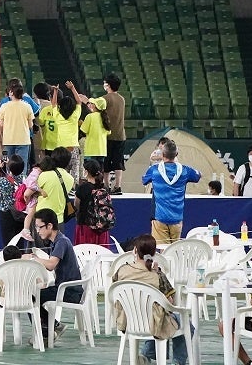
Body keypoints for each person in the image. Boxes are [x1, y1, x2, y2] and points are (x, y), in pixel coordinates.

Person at [112, 234, 189, 365]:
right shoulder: (157, 276)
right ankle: (177, 362)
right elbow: (171, 302)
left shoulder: (121, 270)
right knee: (184, 323)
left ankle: (146, 357)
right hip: (154, 322)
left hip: (128, 321)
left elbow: (113, 290)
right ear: (154, 253)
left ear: (135, 250)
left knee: (154, 315)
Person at [31, 207, 83, 340]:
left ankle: (46, 334)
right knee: (33, 296)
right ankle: (54, 326)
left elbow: (50, 265)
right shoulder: (56, 241)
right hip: (65, 288)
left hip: (69, 291)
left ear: (49, 225)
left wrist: (34, 259)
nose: (37, 231)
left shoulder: (61, 242)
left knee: (30, 298)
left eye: (39, 227)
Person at [143, 139, 201, 243]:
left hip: (159, 218)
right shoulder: (185, 170)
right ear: (176, 154)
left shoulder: (154, 170)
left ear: (162, 154)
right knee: (174, 251)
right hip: (177, 218)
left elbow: (144, 180)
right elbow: (198, 175)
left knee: (163, 252)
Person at [0, 155, 26, 246]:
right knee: (20, 240)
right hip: (20, 212)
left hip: (6, 212)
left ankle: (10, 259)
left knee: (8, 241)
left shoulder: (3, 181)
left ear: (10, 168)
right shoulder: (24, 179)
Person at [75, 160, 113, 246]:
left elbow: (76, 205)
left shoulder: (82, 188)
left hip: (85, 227)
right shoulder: (104, 188)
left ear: (87, 172)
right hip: (101, 228)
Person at [0, 81, 35, 166]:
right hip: (24, 140)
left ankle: (9, 179)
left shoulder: (4, 106)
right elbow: (30, 125)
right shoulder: (27, 106)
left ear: (11, 93)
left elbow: (1, 124)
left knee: (9, 165)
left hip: (8, 140)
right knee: (22, 165)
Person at [101, 74, 128, 194]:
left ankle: (106, 185)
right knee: (118, 161)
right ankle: (118, 186)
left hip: (107, 135)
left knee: (106, 161)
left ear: (108, 85)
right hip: (121, 135)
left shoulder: (105, 98)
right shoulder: (122, 99)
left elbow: (95, 108)